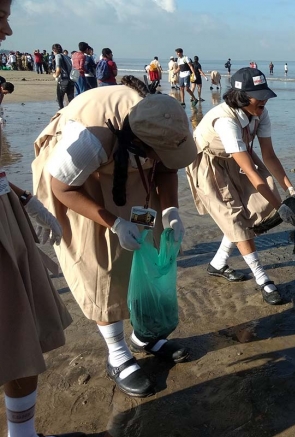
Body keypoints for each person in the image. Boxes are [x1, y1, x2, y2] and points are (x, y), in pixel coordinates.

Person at [31, 77, 197, 398]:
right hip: (75, 178)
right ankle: (117, 353)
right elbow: (62, 188)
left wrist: (170, 212)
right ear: (141, 144)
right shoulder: (90, 140)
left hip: (128, 162)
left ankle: (144, 336)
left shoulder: (163, 124)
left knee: (147, 245)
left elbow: (166, 167)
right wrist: (114, 223)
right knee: (99, 261)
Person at [0, 1, 84, 436]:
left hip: (5, 213)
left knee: (20, 337)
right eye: (0, 14)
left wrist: (26, 201)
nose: (9, 30)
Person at [186, 67, 295, 306]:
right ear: (241, 96)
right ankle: (262, 279)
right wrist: (281, 207)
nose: (265, 101)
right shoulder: (226, 121)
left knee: (255, 208)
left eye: (265, 95)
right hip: (211, 163)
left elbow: (269, 155)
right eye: (259, 96)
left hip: (239, 157)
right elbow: (249, 170)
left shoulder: (260, 113)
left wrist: (289, 189)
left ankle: (218, 264)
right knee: (234, 216)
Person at [52, 43, 74, 109]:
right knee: (71, 99)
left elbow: (58, 69)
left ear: (54, 50)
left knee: (60, 98)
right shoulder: (66, 56)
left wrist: (55, 75)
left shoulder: (58, 56)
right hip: (70, 80)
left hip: (63, 80)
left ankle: (61, 113)